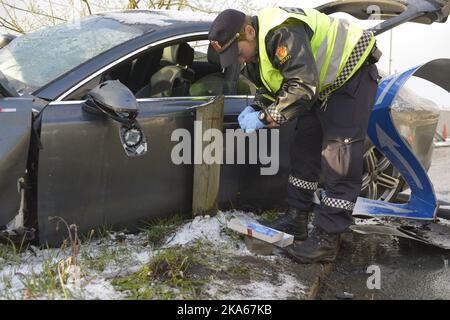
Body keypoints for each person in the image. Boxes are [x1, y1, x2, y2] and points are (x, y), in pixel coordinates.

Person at [208, 6, 381, 263]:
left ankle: (327, 238)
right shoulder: (256, 53)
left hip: (351, 74)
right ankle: (297, 219)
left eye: (238, 52)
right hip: (321, 85)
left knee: (338, 155)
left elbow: (302, 87)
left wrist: (267, 117)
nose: (239, 60)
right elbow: (274, 87)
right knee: (304, 148)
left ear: (249, 31)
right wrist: (257, 107)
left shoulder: (282, 32)